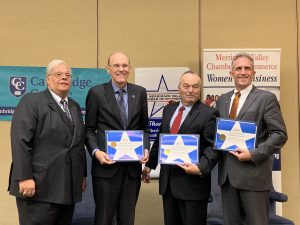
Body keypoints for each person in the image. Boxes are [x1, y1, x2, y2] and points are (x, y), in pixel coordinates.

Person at [8, 59, 87, 225]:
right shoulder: (32, 101)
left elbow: (78, 144)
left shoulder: (74, 107)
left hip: (67, 189)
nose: (64, 78)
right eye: (58, 74)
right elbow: (20, 141)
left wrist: (82, 175)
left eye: (67, 75)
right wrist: (24, 177)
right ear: (47, 79)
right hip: (37, 188)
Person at [216, 53, 288, 225]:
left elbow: (279, 134)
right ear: (231, 73)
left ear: (254, 72)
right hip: (227, 178)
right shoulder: (223, 100)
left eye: (247, 68)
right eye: (238, 68)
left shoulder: (266, 98)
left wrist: (253, 153)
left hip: (254, 177)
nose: (243, 72)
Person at [142, 71, 220, 225]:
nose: (190, 90)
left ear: (200, 89)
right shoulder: (169, 110)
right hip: (169, 185)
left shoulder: (209, 113)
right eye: (186, 86)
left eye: (195, 87)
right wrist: (149, 165)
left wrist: (200, 168)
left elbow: (213, 147)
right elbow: (161, 139)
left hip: (193, 186)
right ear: (179, 88)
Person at [85, 52, 150, 225]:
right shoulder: (96, 93)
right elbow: (89, 130)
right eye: (116, 65)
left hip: (131, 170)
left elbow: (145, 128)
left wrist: (145, 148)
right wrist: (96, 152)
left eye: (124, 65)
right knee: (104, 219)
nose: (121, 69)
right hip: (105, 169)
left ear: (130, 68)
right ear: (108, 69)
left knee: (127, 218)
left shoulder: (140, 92)